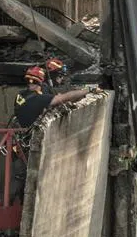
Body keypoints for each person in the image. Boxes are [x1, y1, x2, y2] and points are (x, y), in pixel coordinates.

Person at [9, 66, 100, 200]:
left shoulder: (20, 96)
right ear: (40, 82)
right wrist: (88, 90)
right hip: (27, 144)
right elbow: (63, 98)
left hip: (18, 142)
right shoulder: (38, 99)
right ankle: (17, 205)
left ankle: (15, 203)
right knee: (26, 178)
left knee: (20, 177)